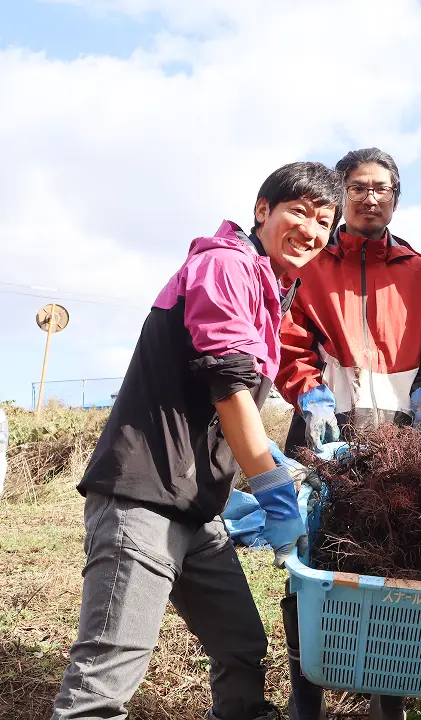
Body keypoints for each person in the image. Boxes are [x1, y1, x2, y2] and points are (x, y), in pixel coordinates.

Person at [51, 162, 342, 720]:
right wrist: (272, 483)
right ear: (263, 210)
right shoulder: (224, 265)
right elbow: (228, 386)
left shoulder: (265, 288)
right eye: (299, 211)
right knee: (107, 674)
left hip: (197, 509)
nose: (310, 229)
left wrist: (262, 461)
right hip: (143, 497)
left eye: (323, 222)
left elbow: (216, 407)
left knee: (240, 648)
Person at [276, 147, 421, 720]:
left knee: (394, 569)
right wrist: (309, 392)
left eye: (382, 188)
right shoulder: (311, 265)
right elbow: (288, 339)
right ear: (341, 194)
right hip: (325, 437)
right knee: (311, 566)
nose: (370, 197)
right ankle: (307, 701)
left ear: (396, 197)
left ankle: (386, 703)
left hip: (401, 444)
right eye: (358, 187)